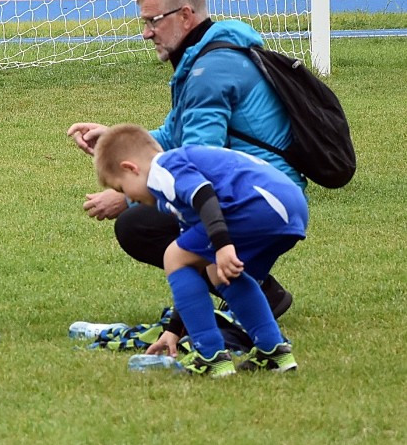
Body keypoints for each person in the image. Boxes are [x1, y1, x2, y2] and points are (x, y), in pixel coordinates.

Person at [67, 0, 299, 325]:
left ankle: (247, 296)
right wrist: (116, 141)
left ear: (186, 15)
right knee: (157, 223)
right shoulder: (206, 59)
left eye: (153, 21)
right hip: (266, 192)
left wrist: (131, 195)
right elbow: (179, 136)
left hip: (259, 198)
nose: (146, 33)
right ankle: (256, 290)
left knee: (139, 225)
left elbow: (196, 166)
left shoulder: (210, 71)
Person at [94, 124, 307, 376]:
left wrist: (223, 244)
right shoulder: (174, 197)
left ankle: (211, 356)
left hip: (258, 204)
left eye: (121, 187)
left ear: (130, 168)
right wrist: (174, 329)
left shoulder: (163, 167)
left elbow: (203, 193)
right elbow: (192, 269)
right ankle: (274, 352)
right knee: (218, 273)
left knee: (174, 257)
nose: (125, 196)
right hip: (289, 208)